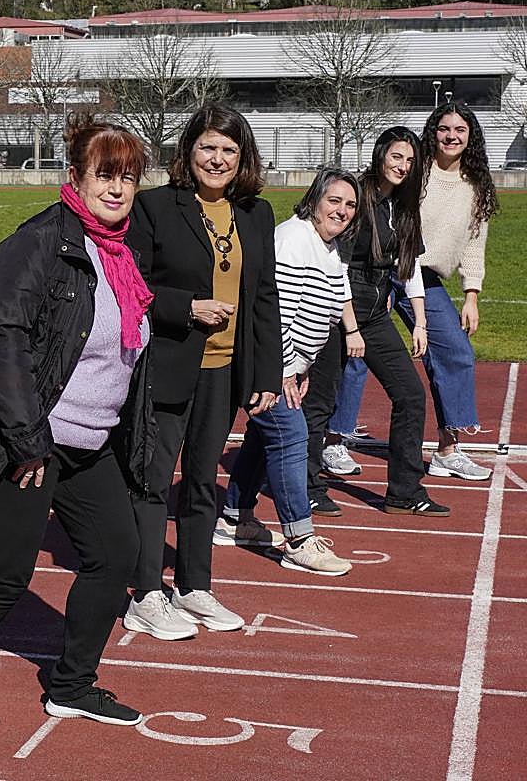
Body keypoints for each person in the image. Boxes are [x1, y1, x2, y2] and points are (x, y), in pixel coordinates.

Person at [0, 119, 154, 731]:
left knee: (115, 555)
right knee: (4, 576)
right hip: (33, 439)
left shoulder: (122, 252)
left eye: (127, 177)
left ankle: (73, 684)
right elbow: (0, 341)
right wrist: (26, 441)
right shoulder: (41, 242)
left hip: (91, 442)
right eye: (105, 174)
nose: (117, 189)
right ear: (73, 176)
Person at [123, 102, 281, 641]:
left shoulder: (257, 214)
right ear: (188, 151)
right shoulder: (154, 207)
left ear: (243, 159)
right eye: (208, 147)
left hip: (224, 371)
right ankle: (146, 592)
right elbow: (134, 286)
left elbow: (264, 297)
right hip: (166, 363)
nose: (217, 159)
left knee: (200, 482)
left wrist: (267, 375)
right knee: (151, 478)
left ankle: (194, 585)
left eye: (229, 151)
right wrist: (186, 308)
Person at [323, 103, 497, 482]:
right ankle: (334, 439)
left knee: (455, 351)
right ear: (432, 131)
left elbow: (474, 242)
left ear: (471, 136)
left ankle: (449, 448)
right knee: (357, 352)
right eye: (443, 128)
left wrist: (471, 293)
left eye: (460, 130)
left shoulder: (477, 184)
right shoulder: (415, 172)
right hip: (384, 271)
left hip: (423, 278)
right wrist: (381, 283)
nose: (451, 136)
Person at [302, 126, 450, 518]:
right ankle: (308, 485)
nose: (402, 166)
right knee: (321, 401)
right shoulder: (358, 198)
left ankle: (404, 492)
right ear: (380, 154)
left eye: (410, 160)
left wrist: (419, 320)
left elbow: (409, 266)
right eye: (396, 156)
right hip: (335, 309)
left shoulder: (402, 204)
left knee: (410, 395)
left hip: (373, 314)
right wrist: (348, 326)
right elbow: (338, 267)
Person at [218, 169, 359, 576]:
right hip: (266, 362)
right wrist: (279, 371)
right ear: (314, 199)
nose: (342, 210)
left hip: (288, 363)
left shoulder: (327, 245)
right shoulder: (294, 240)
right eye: (334, 200)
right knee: (291, 435)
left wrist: (304, 365)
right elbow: (273, 311)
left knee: (265, 439)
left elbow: (321, 309)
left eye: (350, 205)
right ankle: (298, 540)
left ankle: (233, 518)